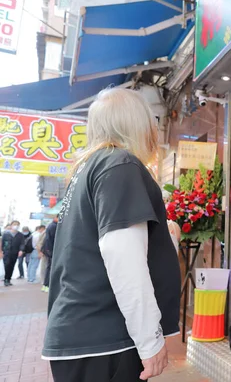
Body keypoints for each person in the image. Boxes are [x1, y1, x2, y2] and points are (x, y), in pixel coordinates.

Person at [42, 88, 181, 382]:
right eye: (151, 120)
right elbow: (123, 259)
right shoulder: (120, 165)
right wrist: (150, 341)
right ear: (137, 123)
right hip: (105, 341)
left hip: (82, 338)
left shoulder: (89, 169)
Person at [2, 221, 25, 287]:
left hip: (15, 252)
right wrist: (1, 251)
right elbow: (2, 243)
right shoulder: (6, 234)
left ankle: (8, 279)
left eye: (17, 225)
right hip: (7, 252)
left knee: (12, 266)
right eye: (15, 224)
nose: (16, 226)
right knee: (7, 265)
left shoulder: (20, 235)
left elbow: (22, 243)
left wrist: (21, 250)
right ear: (11, 225)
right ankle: (6, 279)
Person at [41, 219, 57, 292]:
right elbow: (52, 240)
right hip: (51, 250)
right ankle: (47, 285)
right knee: (50, 268)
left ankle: (45, 285)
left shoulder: (51, 226)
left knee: (48, 268)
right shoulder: (54, 226)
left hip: (48, 250)